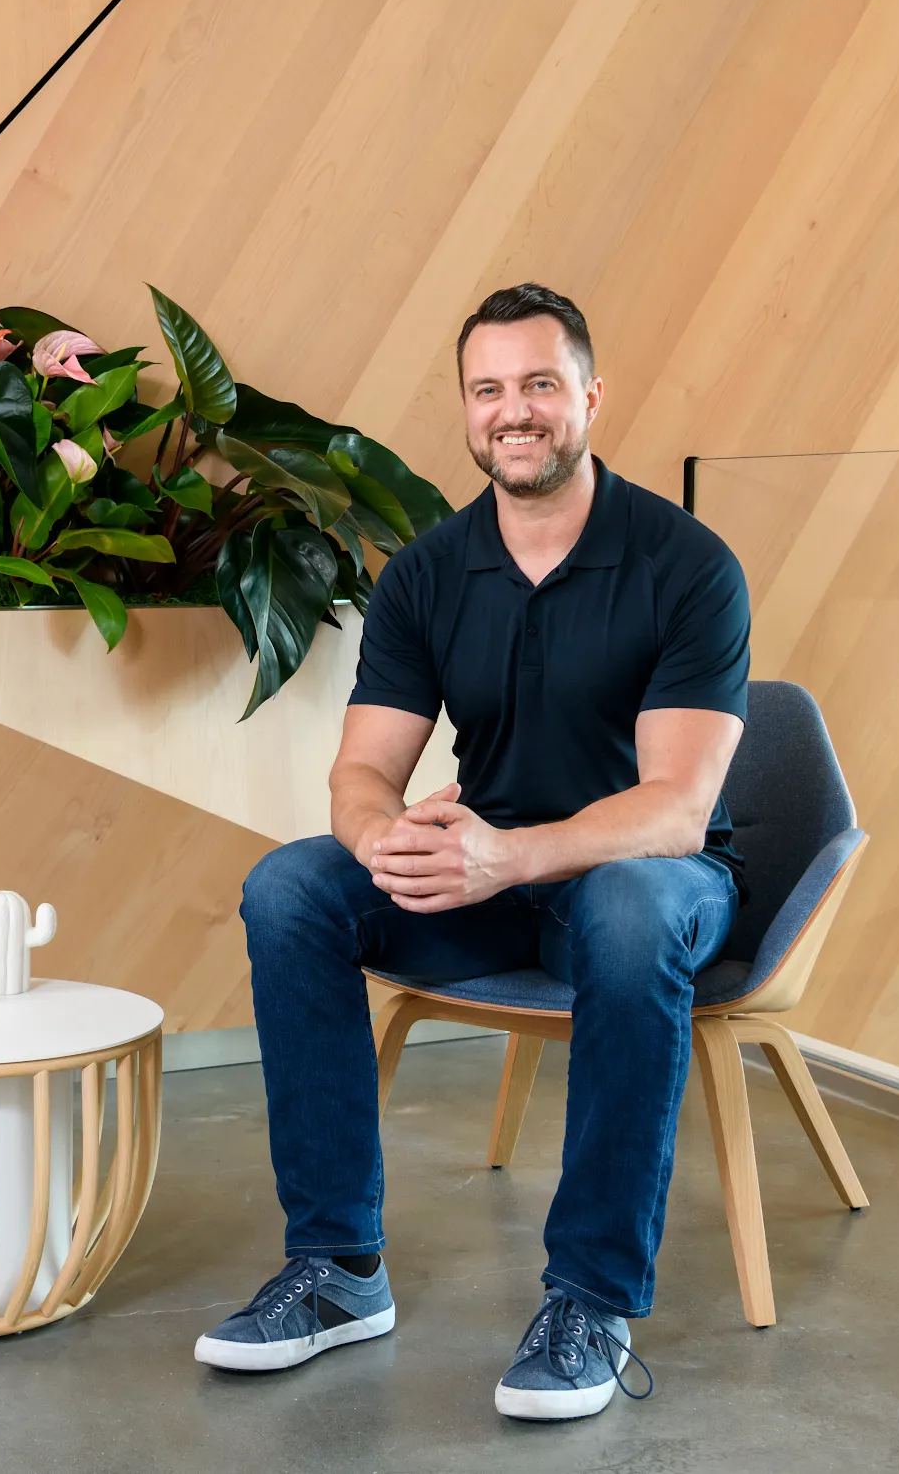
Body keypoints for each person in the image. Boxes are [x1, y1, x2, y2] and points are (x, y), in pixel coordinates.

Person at [193, 283, 751, 1420]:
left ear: (589, 397)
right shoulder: (428, 573)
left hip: (648, 879)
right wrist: (384, 840)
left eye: (540, 384)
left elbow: (677, 810)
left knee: (631, 908)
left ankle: (591, 1301)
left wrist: (509, 856)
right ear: (465, 409)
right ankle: (340, 1271)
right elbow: (360, 773)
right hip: (489, 869)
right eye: (489, 389)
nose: (515, 411)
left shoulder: (686, 565)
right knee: (292, 885)